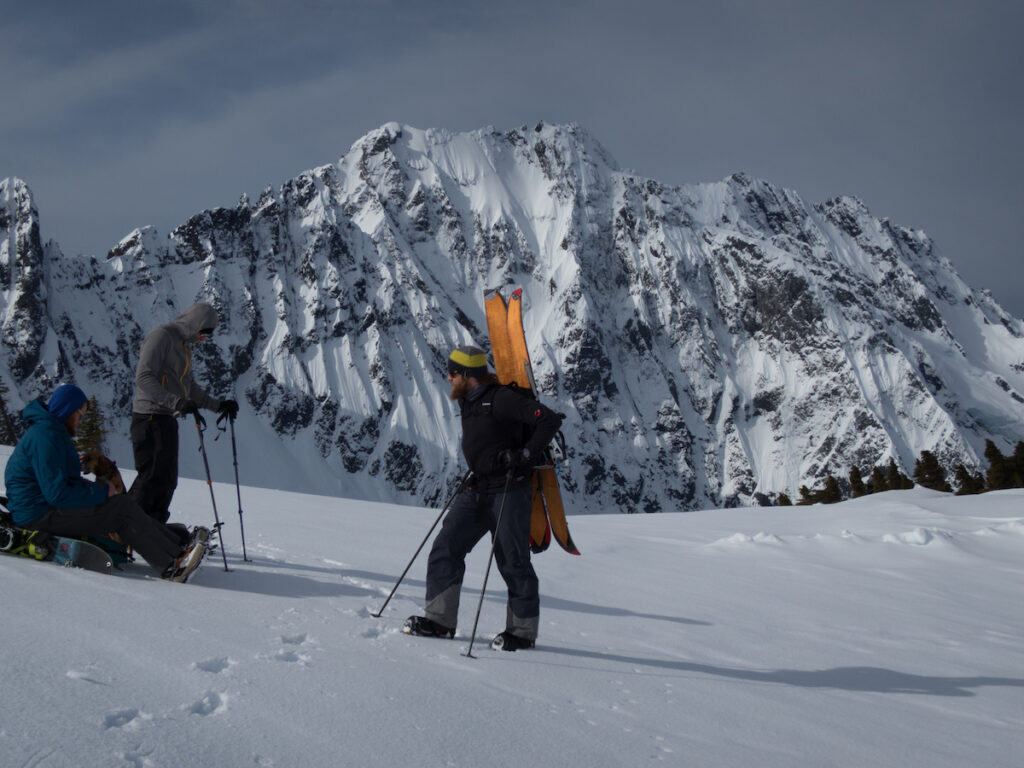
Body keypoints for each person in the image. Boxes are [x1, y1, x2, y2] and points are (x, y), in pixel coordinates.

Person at [403, 346, 563, 651]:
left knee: (513, 561)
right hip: (476, 488)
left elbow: (549, 420)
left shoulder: (502, 399)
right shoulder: (469, 400)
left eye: (451, 373)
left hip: (509, 491)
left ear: (465, 375)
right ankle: (439, 622)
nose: (447, 377)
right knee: (445, 548)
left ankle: (522, 633)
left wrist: (525, 455)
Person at [3, 385, 208, 582]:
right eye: (79, 415)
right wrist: (101, 493)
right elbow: (57, 493)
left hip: (43, 508)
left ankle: (179, 548)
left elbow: (65, 483)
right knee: (121, 510)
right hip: (37, 514)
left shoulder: (51, 433)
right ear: (67, 410)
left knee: (120, 504)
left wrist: (99, 491)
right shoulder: (45, 437)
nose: (80, 421)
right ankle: (172, 565)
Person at [129, 302, 239, 527]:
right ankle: (129, 527)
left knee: (167, 479)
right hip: (149, 417)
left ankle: (152, 527)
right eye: (203, 332)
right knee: (151, 477)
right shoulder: (161, 336)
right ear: (194, 324)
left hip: (166, 417)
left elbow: (189, 386)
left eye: (207, 335)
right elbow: (144, 377)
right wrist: (176, 401)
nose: (203, 338)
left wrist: (218, 406)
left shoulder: (184, 346)